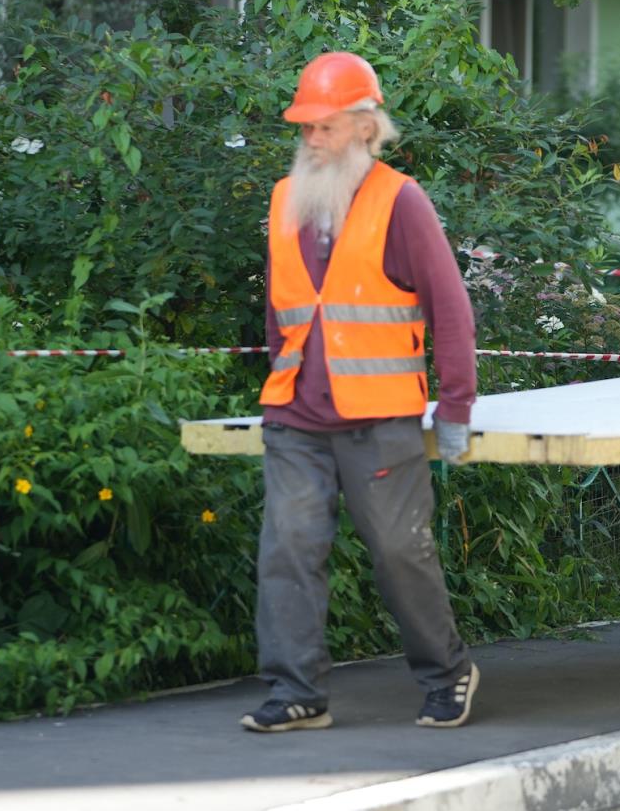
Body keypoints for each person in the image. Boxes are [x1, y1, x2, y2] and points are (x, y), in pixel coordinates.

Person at [241, 51, 481, 733]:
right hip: (295, 416)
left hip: (379, 419)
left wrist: (455, 405)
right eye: (306, 127)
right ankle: (296, 691)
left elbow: (451, 308)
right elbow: (279, 308)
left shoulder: (400, 200)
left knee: (401, 552)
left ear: (365, 127)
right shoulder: (286, 197)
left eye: (324, 127)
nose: (311, 138)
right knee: (287, 550)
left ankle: (447, 671)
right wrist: (283, 376)